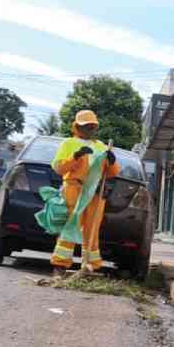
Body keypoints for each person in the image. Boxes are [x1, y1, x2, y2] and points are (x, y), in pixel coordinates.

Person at [49, 110, 120, 276]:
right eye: (86, 126)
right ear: (77, 127)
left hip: (95, 193)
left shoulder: (101, 147)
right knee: (70, 226)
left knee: (92, 229)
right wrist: (76, 157)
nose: (89, 129)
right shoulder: (69, 144)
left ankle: (90, 266)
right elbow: (58, 167)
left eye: (92, 126)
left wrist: (112, 161)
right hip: (74, 189)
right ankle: (60, 265)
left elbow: (112, 173)